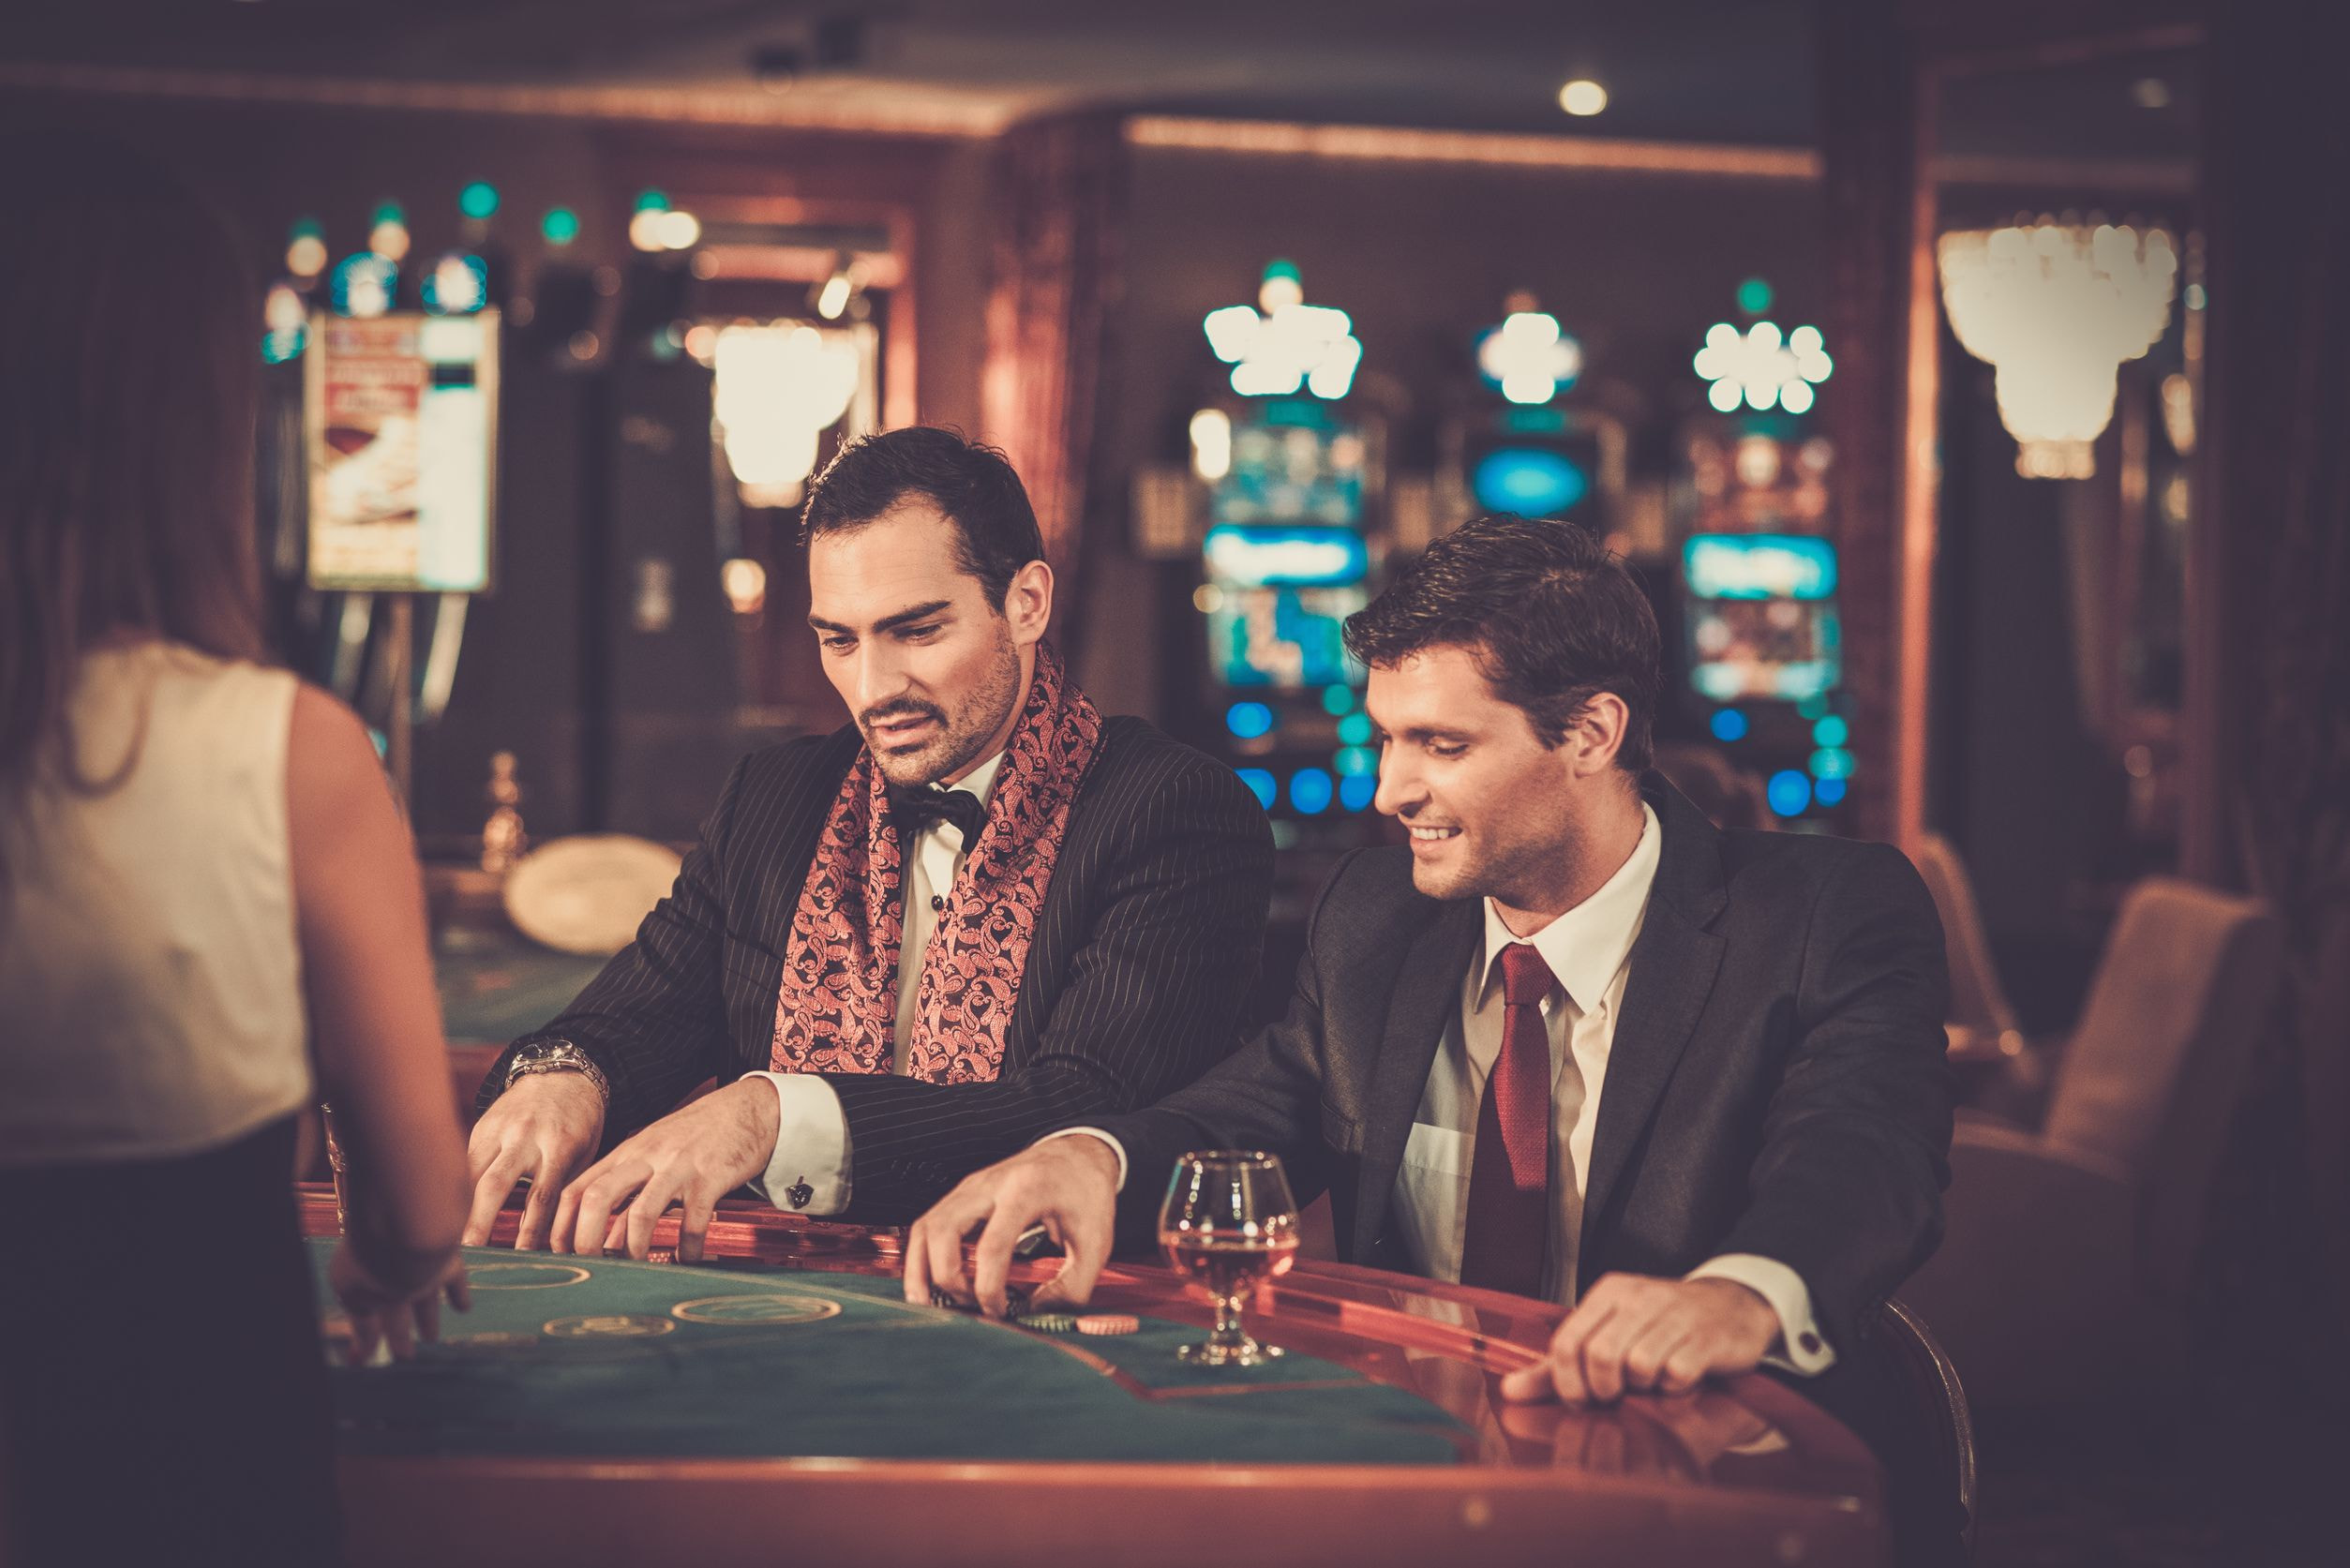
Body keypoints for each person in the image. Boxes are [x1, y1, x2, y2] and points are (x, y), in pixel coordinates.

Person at [906, 514, 1959, 1552]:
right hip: (1421, 1488)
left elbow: (1863, 1151)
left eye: (1440, 745)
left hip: (1697, 1494)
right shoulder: (1376, 913)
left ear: (1590, 732)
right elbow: (1255, 1102)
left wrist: (1742, 1290)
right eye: (1384, 737)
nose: (1388, 788)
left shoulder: (1827, 912)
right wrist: (1089, 1154)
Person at [464, 426, 1274, 1261]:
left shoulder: (1175, 811)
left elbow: (1083, 1105)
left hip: (1053, 1312)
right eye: (838, 639)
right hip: (776, 1306)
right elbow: (632, 1019)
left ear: (1025, 602)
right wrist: (566, 1076)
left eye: (916, 631)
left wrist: (776, 1113)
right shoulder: (772, 799)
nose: (873, 687)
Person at [0, 132, 471, 1564]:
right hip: (191, 1451)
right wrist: (382, 1265)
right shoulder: (293, 749)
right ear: (200, 423)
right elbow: (419, 1199)